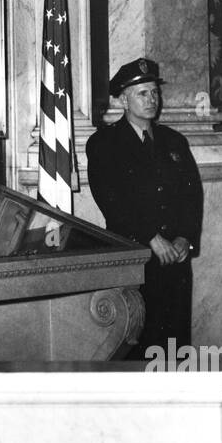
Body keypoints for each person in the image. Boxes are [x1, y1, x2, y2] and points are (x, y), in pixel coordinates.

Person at [86, 58, 203, 357]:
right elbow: (111, 201)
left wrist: (184, 239)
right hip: (136, 259)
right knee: (139, 345)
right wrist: (151, 237)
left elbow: (192, 198)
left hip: (175, 261)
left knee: (175, 345)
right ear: (124, 99)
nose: (152, 100)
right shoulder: (104, 144)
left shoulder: (174, 141)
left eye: (154, 93)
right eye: (143, 94)